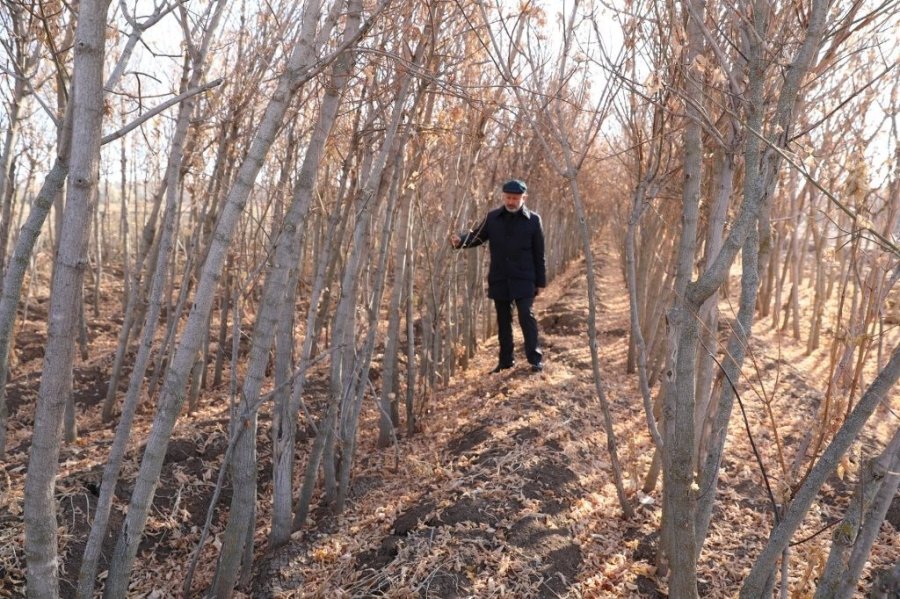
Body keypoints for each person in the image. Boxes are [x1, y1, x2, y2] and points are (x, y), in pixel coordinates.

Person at [450, 179, 546, 373]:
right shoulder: (492, 218)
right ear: (503, 197)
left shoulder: (534, 220)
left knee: (526, 315)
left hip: (525, 278)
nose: (511, 202)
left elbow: (539, 253)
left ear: (523, 198)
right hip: (500, 278)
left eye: (515, 198)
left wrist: (541, 282)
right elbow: (477, 237)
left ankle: (535, 360)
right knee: (503, 321)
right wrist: (460, 241)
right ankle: (505, 362)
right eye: (508, 197)